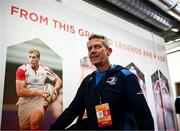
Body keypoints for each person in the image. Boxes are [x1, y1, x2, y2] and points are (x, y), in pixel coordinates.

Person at [49, 34, 154, 130]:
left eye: (97, 46)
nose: (92, 51)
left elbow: (142, 114)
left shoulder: (125, 76)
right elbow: (72, 111)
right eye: (89, 48)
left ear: (109, 51)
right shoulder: (88, 81)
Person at [16, 49, 62, 130]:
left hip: (39, 101)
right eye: (29, 57)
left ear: (38, 58)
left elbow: (58, 80)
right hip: (25, 102)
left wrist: (54, 89)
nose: (31, 60)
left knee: (34, 122)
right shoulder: (22, 69)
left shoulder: (45, 69)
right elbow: (20, 92)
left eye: (33, 57)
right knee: (24, 128)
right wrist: (39, 93)